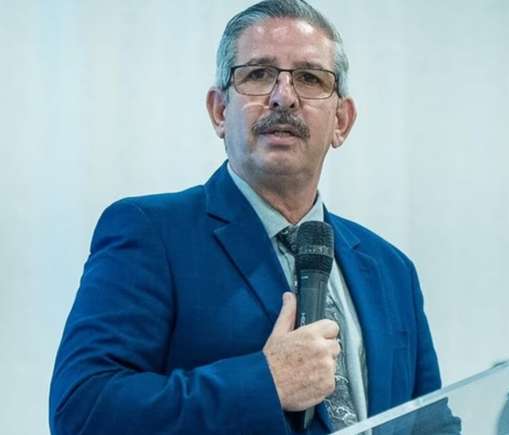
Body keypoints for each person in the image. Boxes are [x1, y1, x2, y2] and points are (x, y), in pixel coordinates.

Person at [49, 1, 455, 434]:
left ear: (342, 120)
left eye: (310, 78)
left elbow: (431, 425)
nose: (284, 96)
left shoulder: (392, 270)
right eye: (259, 74)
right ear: (220, 111)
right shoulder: (152, 233)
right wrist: (266, 382)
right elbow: (83, 410)